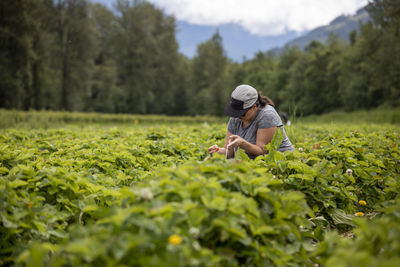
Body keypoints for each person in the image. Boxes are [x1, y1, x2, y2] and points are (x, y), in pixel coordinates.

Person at [208, 84, 294, 159]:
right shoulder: (235, 117)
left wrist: (242, 144)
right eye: (235, 112)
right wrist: (218, 151)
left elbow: (263, 151)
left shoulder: (267, 115)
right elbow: (229, 151)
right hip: (253, 165)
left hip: (279, 163)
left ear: (254, 107)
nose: (237, 116)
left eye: (242, 113)